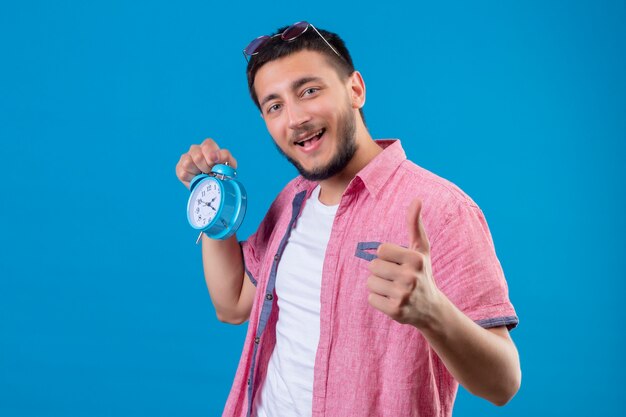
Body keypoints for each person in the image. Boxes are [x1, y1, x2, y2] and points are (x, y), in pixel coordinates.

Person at [175, 21, 521, 417]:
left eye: (309, 90)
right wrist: (212, 204)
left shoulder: (442, 210)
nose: (295, 118)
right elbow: (233, 304)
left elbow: (503, 382)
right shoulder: (293, 201)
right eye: (275, 105)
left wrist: (433, 313)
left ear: (355, 89)